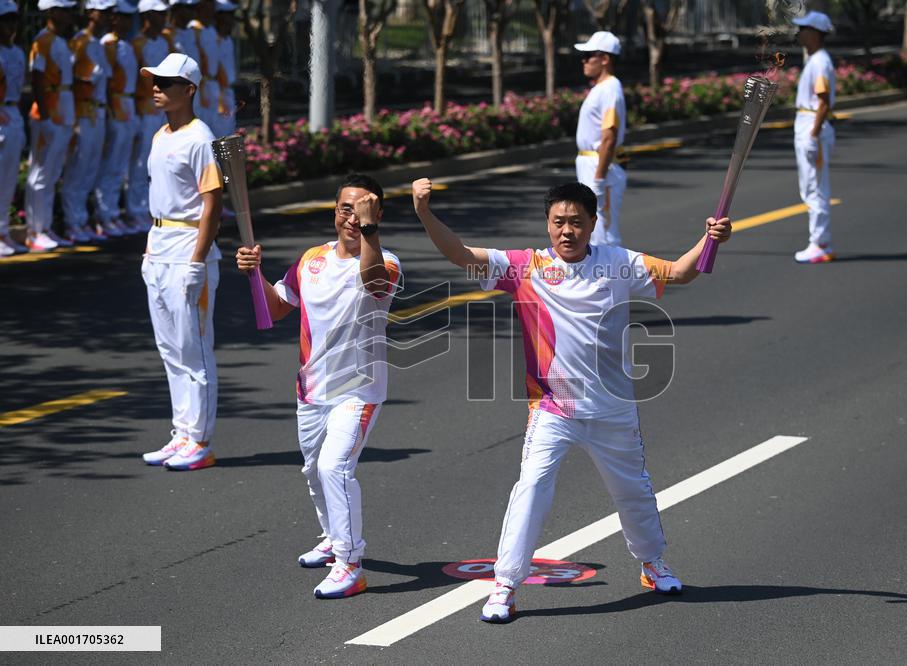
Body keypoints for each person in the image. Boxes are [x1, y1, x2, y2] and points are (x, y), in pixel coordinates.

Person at [411, 177, 732, 623]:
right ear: (547, 224)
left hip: (613, 408)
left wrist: (710, 240)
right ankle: (504, 585)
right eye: (559, 222)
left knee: (633, 491)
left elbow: (680, 272)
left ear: (592, 224)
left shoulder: (618, 264)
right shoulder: (525, 267)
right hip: (552, 410)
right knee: (532, 490)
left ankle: (652, 564)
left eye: (576, 222)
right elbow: (462, 256)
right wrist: (425, 213)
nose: (567, 231)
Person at [235, 174, 402, 599]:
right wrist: (254, 275)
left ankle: (350, 563)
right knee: (313, 470)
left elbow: (373, 284)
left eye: (363, 209)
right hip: (311, 389)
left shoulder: (387, 262)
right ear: (334, 213)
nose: (353, 216)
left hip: (358, 390)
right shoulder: (311, 259)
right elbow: (275, 309)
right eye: (346, 208)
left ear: (377, 215)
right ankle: (332, 537)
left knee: (334, 467)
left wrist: (369, 232)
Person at [138, 53, 222, 471]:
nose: (157, 88)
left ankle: (201, 442)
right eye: (155, 81)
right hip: (159, 246)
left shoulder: (200, 137)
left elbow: (212, 204)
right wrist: (149, 251)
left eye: (167, 83)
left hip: (189, 249)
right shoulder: (160, 135)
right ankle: (183, 433)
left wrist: (197, 261)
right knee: (171, 349)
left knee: (195, 351)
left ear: (189, 90)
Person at [60, 0, 113, 244]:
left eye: (110, 12)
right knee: (78, 169)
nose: (108, 17)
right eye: (103, 12)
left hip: (98, 113)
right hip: (82, 113)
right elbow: (71, 81)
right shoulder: (79, 42)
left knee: (91, 168)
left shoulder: (98, 44)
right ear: (91, 13)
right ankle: (73, 222)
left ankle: (82, 219)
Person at [25, 0, 76, 252]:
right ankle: (34, 230)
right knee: (40, 174)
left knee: (53, 173)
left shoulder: (60, 42)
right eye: (65, 10)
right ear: (53, 12)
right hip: (48, 114)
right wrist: (44, 117)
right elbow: (36, 79)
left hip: (63, 113)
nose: (69, 15)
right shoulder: (41, 41)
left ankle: (44, 227)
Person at [791, 11, 836, 264]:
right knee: (812, 187)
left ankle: (820, 243)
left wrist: (813, 135)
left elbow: (823, 101)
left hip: (812, 126)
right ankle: (821, 242)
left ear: (816, 33)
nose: (800, 34)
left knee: (815, 188)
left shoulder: (819, 62)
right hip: (809, 123)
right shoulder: (816, 60)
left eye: (804, 29)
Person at [574, 31, 626, 247]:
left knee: (602, 231)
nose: (584, 61)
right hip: (591, 162)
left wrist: (598, 179)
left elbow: (609, 137)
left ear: (605, 59)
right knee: (592, 229)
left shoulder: (610, 89)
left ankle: (612, 278)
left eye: (589, 55)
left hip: (600, 165)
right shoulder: (601, 88)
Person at [94, 0, 142, 236]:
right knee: (111, 163)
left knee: (121, 164)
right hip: (116, 107)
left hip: (129, 105)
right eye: (120, 17)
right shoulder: (108, 44)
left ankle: (114, 212)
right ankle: (105, 215)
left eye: (128, 17)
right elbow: (107, 81)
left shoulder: (126, 45)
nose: (125, 21)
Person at [127, 0, 171, 230]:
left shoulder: (164, 41)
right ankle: (134, 210)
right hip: (142, 108)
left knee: (159, 162)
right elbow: (131, 80)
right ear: (147, 15)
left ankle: (150, 209)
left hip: (162, 110)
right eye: (158, 14)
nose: (164, 18)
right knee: (140, 162)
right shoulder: (136, 44)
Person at [0, 0, 27, 256]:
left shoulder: (17, 52)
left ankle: (3, 231)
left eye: (12, 20)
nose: (10, 25)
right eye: (5, 20)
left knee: (8, 179)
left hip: (12, 112)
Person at [187, 0, 217, 135]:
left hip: (212, 84)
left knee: (213, 128)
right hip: (199, 83)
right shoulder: (193, 28)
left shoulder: (210, 29)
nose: (212, 7)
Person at [213, 0, 235, 138]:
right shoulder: (213, 39)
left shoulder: (228, 40)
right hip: (217, 94)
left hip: (228, 93)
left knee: (228, 135)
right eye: (227, 14)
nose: (231, 18)